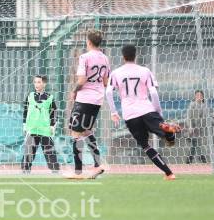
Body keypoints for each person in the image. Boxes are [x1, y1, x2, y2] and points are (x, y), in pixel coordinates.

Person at [106, 44, 182, 181]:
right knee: (163, 130)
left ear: (123, 57)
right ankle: (167, 131)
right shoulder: (145, 71)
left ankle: (169, 173)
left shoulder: (116, 73)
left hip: (130, 114)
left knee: (146, 146)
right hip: (146, 109)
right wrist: (158, 112)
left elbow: (108, 92)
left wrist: (113, 112)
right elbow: (153, 92)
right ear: (136, 56)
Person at [68, 30, 109, 179]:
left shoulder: (84, 57)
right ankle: (98, 164)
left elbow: (81, 80)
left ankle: (78, 171)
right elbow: (105, 82)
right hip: (97, 99)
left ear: (89, 42)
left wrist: (74, 91)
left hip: (84, 99)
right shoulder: (105, 58)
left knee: (75, 132)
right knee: (86, 131)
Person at [22, 75, 60, 173]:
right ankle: (26, 171)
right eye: (35, 82)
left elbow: (54, 113)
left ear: (44, 84)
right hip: (32, 129)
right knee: (29, 151)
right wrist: (24, 125)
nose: (37, 84)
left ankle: (55, 171)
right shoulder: (30, 96)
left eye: (39, 82)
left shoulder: (50, 98)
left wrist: (52, 125)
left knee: (50, 152)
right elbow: (25, 111)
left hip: (45, 129)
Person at [185, 90, 210, 164]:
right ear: (195, 96)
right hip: (193, 128)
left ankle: (190, 160)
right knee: (196, 144)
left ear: (203, 97)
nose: (199, 97)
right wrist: (190, 127)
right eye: (197, 95)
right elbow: (188, 117)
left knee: (196, 144)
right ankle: (201, 159)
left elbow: (207, 117)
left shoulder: (205, 105)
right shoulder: (192, 105)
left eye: (201, 95)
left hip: (202, 129)